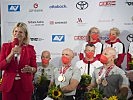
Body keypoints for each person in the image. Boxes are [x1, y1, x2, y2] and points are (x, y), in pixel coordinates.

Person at [0, 22, 37, 100]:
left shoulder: (30, 49)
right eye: (15, 31)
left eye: (20, 32)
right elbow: (1, 66)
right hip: (9, 85)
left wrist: (31, 69)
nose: (17, 34)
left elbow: (35, 68)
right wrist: (11, 54)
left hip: (24, 86)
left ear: (25, 35)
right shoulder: (5, 46)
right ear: (13, 33)